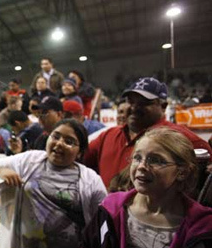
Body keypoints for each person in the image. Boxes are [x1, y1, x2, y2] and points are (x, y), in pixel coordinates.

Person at [79, 127, 212, 248]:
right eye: (137, 157)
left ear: (182, 172)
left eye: (155, 160)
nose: (141, 166)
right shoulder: (111, 212)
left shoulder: (203, 229)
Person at [0, 119, 107, 248]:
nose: (60, 143)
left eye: (69, 141)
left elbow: (101, 227)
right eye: (56, 136)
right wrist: (2, 170)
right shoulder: (29, 161)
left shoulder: (91, 182)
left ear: (80, 152)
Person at [84, 77, 212, 187]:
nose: (134, 107)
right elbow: (79, 162)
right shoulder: (108, 135)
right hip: (109, 212)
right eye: (130, 101)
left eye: (144, 103)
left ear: (163, 106)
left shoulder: (183, 138)